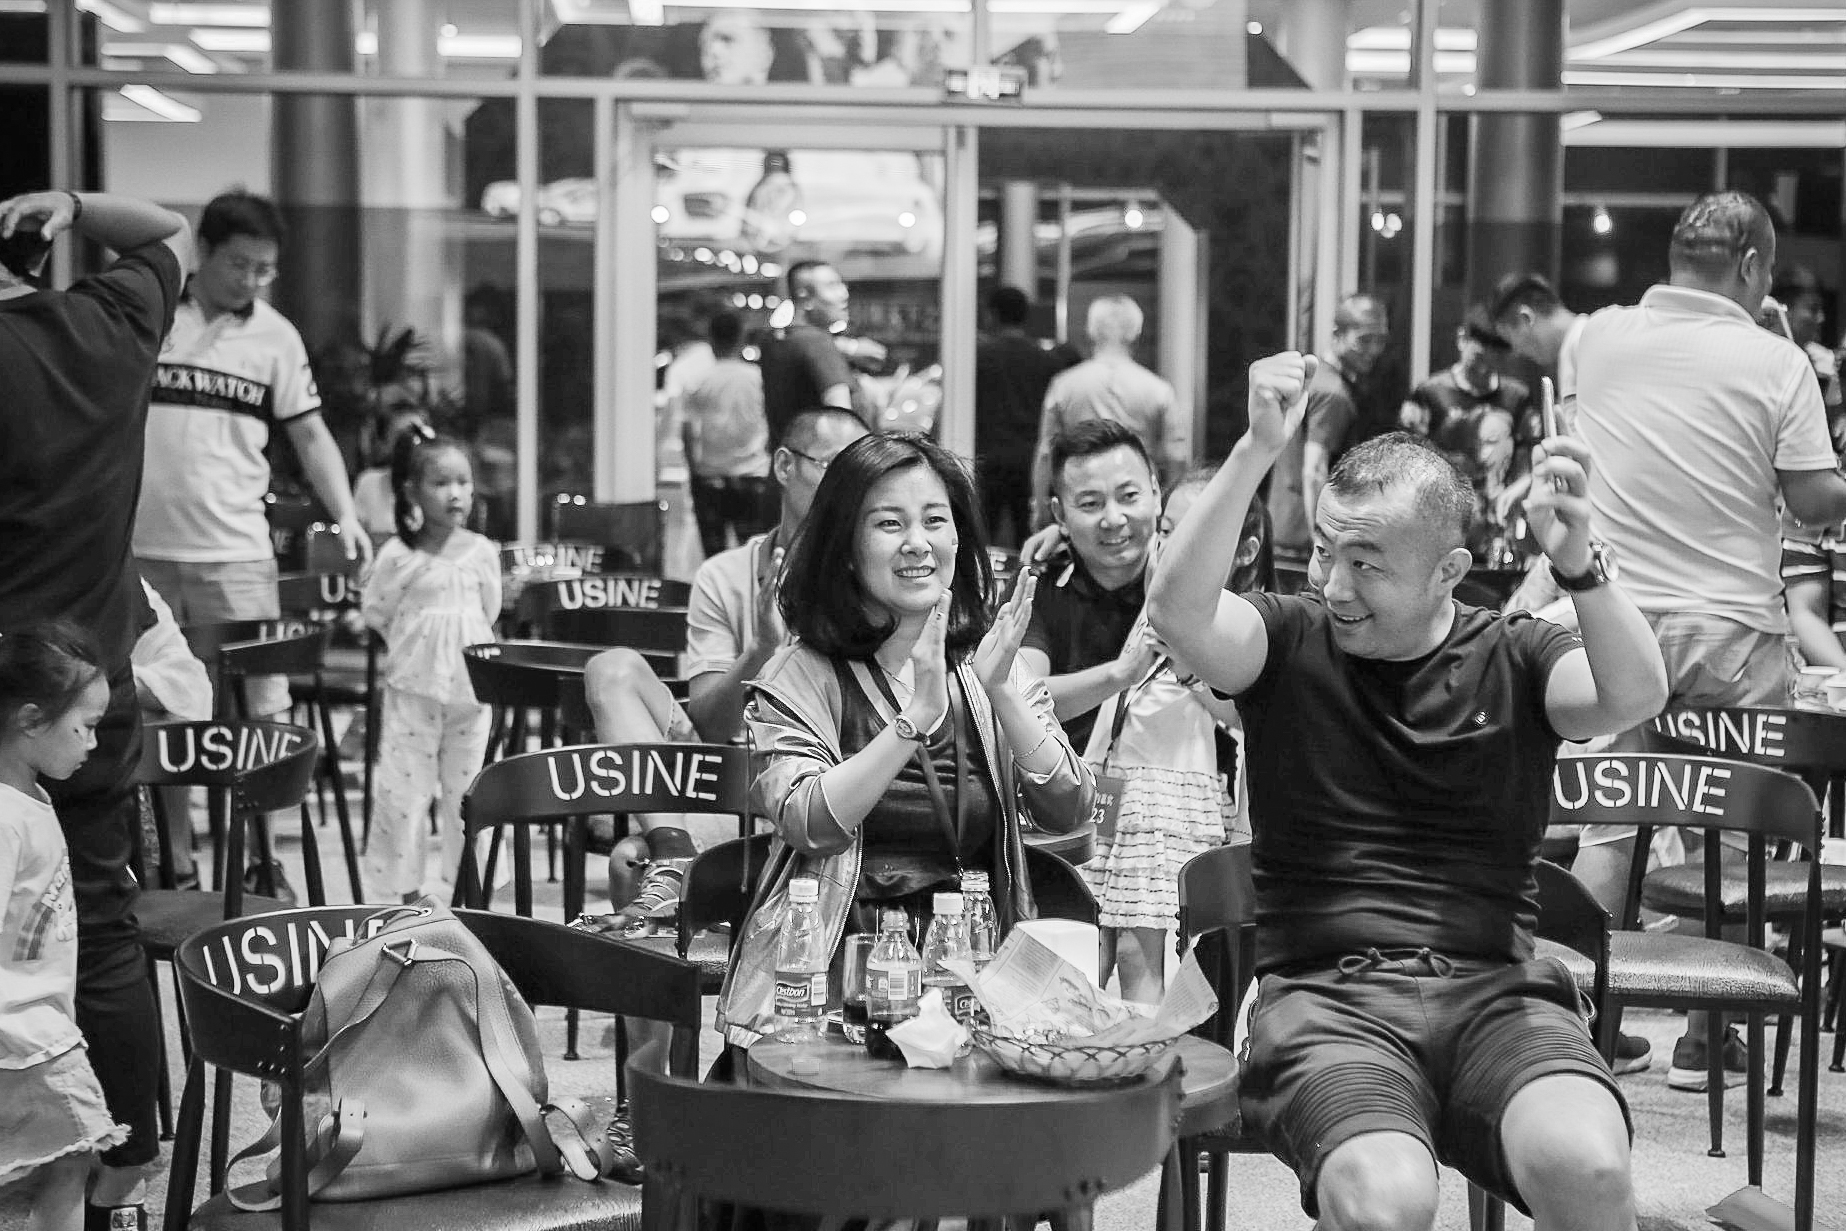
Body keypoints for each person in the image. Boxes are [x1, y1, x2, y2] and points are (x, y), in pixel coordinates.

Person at [1149, 351, 1669, 1231]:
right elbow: (1176, 613)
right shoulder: (1287, 640)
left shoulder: (1513, 653)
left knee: (1587, 1164)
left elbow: (1634, 694)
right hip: (1324, 997)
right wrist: (1255, 447)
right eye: (1326, 552)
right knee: (1385, 1199)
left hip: (1497, 991)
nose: (1333, 585)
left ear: (1448, 570)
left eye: (1366, 563)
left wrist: (1580, 564)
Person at [1571, 192, 1846, 1091]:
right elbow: (1811, 500)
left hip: (1618, 619)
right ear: (1754, 266)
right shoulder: (1777, 361)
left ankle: (1583, 1025)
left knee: (1612, 817)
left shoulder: (1599, 336)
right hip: (1732, 627)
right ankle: (1706, 1034)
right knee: (1733, 826)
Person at [715, 432, 1093, 1048]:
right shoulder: (800, 674)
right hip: (835, 975)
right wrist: (913, 719)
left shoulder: (988, 663)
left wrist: (1002, 693)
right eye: (889, 524)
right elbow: (810, 823)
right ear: (845, 548)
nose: (918, 542)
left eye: (935, 521)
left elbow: (1070, 810)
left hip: (975, 965)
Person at [0, 187, 191, 1231]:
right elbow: (168, 231)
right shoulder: (107, 327)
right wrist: (72, 203)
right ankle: (124, 1165)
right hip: (88, 693)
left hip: (3, 703)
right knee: (104, 927)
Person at [579, 407, 870, 930]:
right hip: (729, 777)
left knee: (626, 856)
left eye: (862, 473)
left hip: (811, 785)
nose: (849, 490)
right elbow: (712, 727)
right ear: (785, 466)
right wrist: (760, 650)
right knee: (611, 668)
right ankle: (673, 852)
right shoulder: (726, 574)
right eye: (835, 467)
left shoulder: (870, 575)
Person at [133, 189, 371, 728]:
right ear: (203, 251)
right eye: (239, 264)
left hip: (236, 555)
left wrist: (346, 515)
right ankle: (176, 795)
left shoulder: (276, 337)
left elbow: (310, 434)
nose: (250, 280)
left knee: (259, 712)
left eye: (264, 270)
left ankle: (260, 792)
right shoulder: (153, 315)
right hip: (141, 552)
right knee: (156, 710)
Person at [1077, 471, 1253, 1004]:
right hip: (1115, 788)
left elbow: (1244, 715)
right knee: (1097, 946)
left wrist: (1189, 664)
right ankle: (1110, 1043)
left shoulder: (1236, 621)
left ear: (1242, 552)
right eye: (1169, 532)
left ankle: (1143, 1048)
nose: (1172, 549)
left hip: (1170, 798)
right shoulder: (1155, 604)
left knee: (1142, 956)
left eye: (1194, 536)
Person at [0, 624, 123, 1231]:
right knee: (71, 1161)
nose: (94, 743)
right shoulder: (5, 816)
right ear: (30, 719)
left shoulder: (30, 797)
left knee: (62, 1166)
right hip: (24, 1038)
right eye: (87, 725)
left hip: (36, 1027)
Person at [360, 429, 501, 903]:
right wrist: (417, 646)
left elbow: (488, 611)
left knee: (470, 793)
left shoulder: (482, 552)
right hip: (412, 693)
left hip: (471, 694)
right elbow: (377, 611)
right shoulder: (398, 555)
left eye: (463, 482)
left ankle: (471, 894)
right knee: (404, 796)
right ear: (412, 492)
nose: (455, 493)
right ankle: (403, 896)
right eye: (441, 483)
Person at [1030, 294, 1187, 528]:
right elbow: (1177, 455)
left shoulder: (1064, 385)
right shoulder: (1158, 389)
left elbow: (1046, 452)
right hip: (1137, 495)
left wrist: (1041, 506)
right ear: (1136, 331)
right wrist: (1170, 510)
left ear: (1091, 330)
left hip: (1081, 495)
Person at [1264, 293, 1389, 576]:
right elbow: (1314, 471)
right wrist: (1321, 543)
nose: (1373, 350)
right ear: (1337, 335)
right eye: (1364, 340)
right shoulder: (1334, 394)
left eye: (1380, 340)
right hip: (1305, 542)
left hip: (1282, 530)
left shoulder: (1316, 380)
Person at [1400, 309, 1536, 562]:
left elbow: (1531, 456)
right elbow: (1406, 461)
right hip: (1441, 525)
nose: (1485, 369)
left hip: (1500, 529)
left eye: (1495, 360)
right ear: (1462, 339)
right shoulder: (1430, 393)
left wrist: (1521, 487)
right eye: (1479, 357)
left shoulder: (1517, 397)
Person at [974, 286, 1078, 546]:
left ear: (992, 314)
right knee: (1028, 537)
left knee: (981, 536)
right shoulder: (1046, 360)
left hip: (988, 458)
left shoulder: (978, 358)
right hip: (1028, 461)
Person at [130, 580, 212, 890]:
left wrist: (103, 680)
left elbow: (191, 687)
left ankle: (175, 866)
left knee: (166, 720)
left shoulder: (123, 582)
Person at [682, 309, 775, 558]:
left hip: (710, 476)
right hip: (753, 474)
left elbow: (688, 430)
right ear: (741, 338)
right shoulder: (757, 378)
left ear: (711, 340)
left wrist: (694, 470)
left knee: (715, 556)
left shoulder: (698, 380)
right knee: (755, 554)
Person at [759, 261, 880, 443]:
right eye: (832, 286)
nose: (844, 294)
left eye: (842, 284)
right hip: (823, 457)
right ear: (805, 298)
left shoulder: (775, 340)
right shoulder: (818, 342)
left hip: (788, 454)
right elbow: (841, 420)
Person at [1488, 272, 1587, 414]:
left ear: (1526, 318)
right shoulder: (1576, 345)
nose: (1517, 351)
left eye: (1510, 338)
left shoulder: (1584, 343)